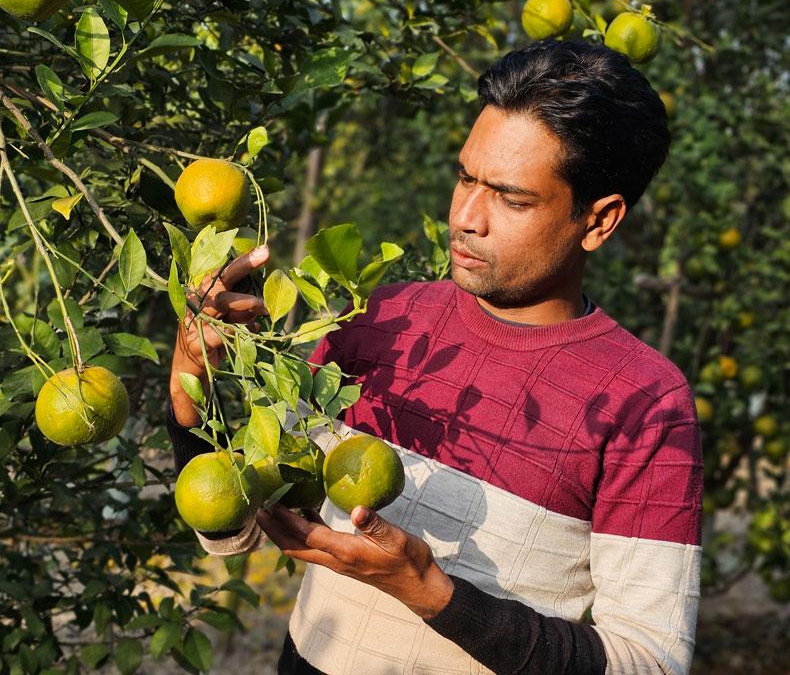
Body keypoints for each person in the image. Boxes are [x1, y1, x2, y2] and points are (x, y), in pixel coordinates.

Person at [165, 39, 702, 675]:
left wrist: (431, 592)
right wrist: (191, 381)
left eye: (511, 197)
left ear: (599, 220)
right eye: (465, 177)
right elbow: (238, 524)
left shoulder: (645, 402)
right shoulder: (383, 321)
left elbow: (650, 662)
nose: (466, 218)